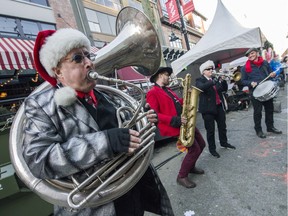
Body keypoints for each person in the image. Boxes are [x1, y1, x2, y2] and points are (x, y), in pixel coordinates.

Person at [22, 28, 174, 216]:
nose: (89, 63)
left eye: (88, 56)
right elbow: (39, 160)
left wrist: (142, 121)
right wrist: (104, 142)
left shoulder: (110, 96)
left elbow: (127, 132)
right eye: (78, 58)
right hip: (93, 206)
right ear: (57, 71)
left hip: (133, 192)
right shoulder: (41, 105)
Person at [146, 67, 206, 189]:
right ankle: (181, 176)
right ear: (161, 75)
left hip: (185, 122)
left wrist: (189, 96)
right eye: (167, 75)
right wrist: (175, 120)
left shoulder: (168, 90)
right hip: (175, 125)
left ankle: (190, 167)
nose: (169, 77)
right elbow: (155, 114)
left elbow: (178, 103)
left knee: (202, 144)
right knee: (194, 149)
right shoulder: (152, 92)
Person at [195, 60, 236, 158]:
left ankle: (224, 142)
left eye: (212, 68)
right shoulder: (199, 80)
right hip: (208, 109)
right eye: (208, 69)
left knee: (222, 126)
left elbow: (223, 89)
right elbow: (201, 88)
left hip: (218, 106)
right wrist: (212, 81)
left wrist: (223, 80)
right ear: (203, 71)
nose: (211, 70)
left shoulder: (215, 79)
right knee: (210, 130)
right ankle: (212, 149)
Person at [240, 47, 282, 138]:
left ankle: (270, 127)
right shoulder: (244, 68)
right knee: (257, 112)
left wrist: (273, 74)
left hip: (266, 90)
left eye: (252, 53)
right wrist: (250, 83)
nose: (250, 55)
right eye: (248, 55)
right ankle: (258, 130)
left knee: (269, 109)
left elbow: (270, 74)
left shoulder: (265, 63)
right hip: (255, 92)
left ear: (257, 53)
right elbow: (242, 81)